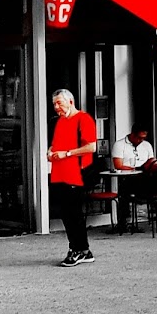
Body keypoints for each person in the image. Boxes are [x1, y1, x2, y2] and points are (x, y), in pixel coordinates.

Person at [48, 88, 97, 267]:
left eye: (59, 103)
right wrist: (50, 152)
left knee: (74, 213)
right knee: (65, 213)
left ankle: (79, 248)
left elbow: (91, 147)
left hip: (76, 173)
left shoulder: (83, 119)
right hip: (59, 173)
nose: (56, 107)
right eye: (54, 104)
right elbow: (54, 144)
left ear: (70, 101)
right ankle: (80, 248)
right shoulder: (57, 122)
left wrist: (67, 153)